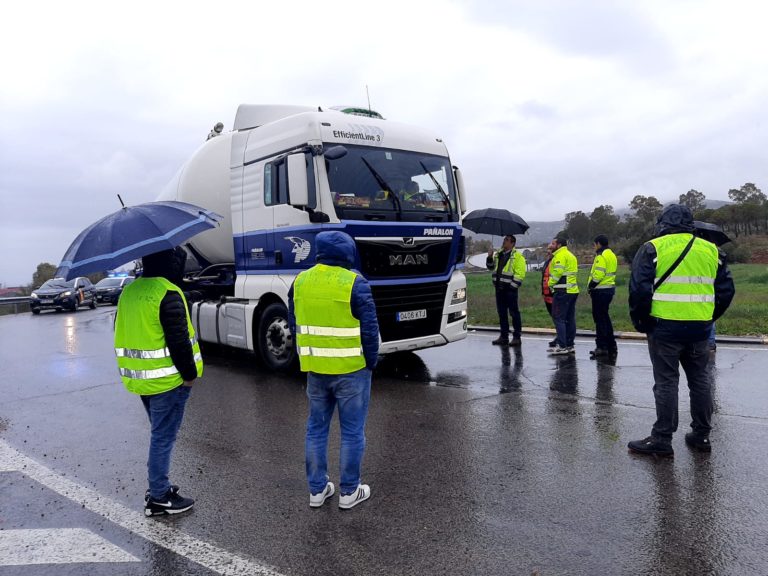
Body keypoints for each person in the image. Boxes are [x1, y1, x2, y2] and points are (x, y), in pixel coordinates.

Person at [627, 204, 735, 457]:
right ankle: (701, 435)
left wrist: (642, 323)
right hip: (699, 329)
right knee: (701, 381)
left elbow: (639, 290)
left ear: (662, 223)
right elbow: (726, 291)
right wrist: (708, 317)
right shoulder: (712, 251)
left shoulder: (652, 248)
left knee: (666, 382)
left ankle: (662, 438)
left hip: (664, 328)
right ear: (690, 223)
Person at [288, 231, 380, 509]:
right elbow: (370, 330)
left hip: (315, 370)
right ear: (348, 253)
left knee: (316, 428)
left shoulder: (300, 282)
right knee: (352, 432)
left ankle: (317, 490)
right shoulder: (355, 283)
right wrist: (371, 362)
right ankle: (349, 492)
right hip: (352, 370)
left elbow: (294, 323)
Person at [114, 247, 203, 516]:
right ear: (171, 264)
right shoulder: (167, 293)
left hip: (142, 380)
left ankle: (159, 486)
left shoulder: (129, 291)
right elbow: (179, 343)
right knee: (162, 438)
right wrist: (188, 376)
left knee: (160, 435)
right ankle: (159, 497)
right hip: (168, 381)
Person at [486, 235, 527, 346]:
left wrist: (512, 287)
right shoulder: (498, 254)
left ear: (512, 243)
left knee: (514, 313)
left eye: (506, 240)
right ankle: (504, 336)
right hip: (499, 289)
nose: (504, 242)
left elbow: (520, 273)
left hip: (510, 290)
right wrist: (490, 256)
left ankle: (517, 337)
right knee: (502, 313)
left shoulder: (518, 256)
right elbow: (490, 267)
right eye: (504, 240)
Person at [547, 234, 579, 355]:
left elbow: (557, 272)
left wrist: (550, 283)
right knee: (570, 319)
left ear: (559, 245)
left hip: (562, 291)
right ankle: (570, 345)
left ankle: (562, 345)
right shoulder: (571, 255)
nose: (551, 245)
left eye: (553, 244)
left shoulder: (560, 256)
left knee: (558, 318)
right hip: (572, 291)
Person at [588, 234, 618, 358]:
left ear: (598, 244)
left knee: (600, 320)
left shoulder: (601, 256)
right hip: (609, 289)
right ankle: (611, 345)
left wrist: (591, 285)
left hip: (600, 291)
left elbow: (598, 275)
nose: (594, 247)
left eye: (594, 245)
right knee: (605, 318)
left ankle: (602, 346)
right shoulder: (612, 255)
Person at [541, 240, 556, 347]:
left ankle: (562, 338)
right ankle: (559, 336)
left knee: (558, 317)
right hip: (547, 294)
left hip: (554, 293)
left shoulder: (556, 261)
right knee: (554, 317)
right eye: (548, 249)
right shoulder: (547, 262)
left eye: (550, 249)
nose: (548, 251)